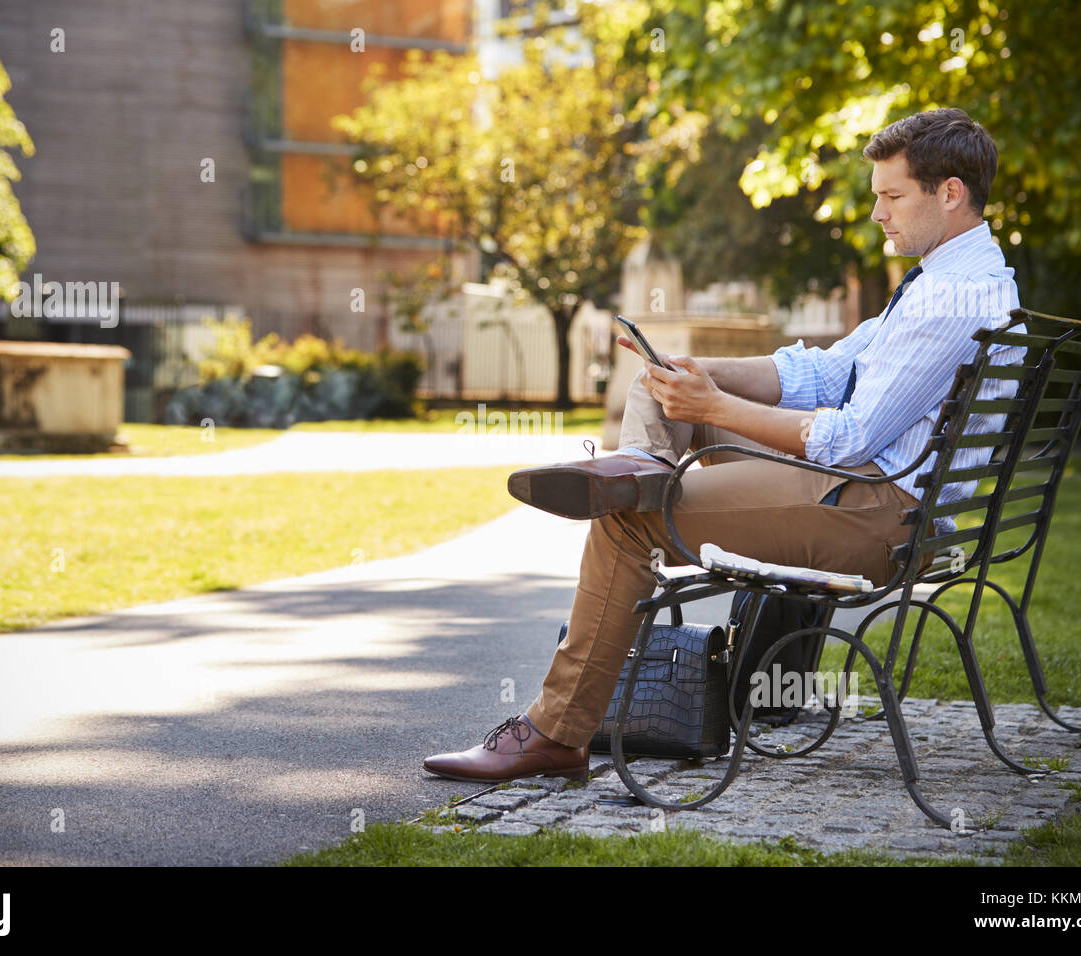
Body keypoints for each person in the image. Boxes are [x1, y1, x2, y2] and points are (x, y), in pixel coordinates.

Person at [422, 107, 1022, 784]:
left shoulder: (952, 296)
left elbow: (848, 434)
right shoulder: (954, 279)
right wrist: (706, 376)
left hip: (876, 511)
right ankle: (643, 465)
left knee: (627, 519)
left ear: (949, 193)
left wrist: (713, 406)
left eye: (891, 197)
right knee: (663, 393)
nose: (879, 214)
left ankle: (555, 732)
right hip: (874, 490)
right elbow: (826, 373)